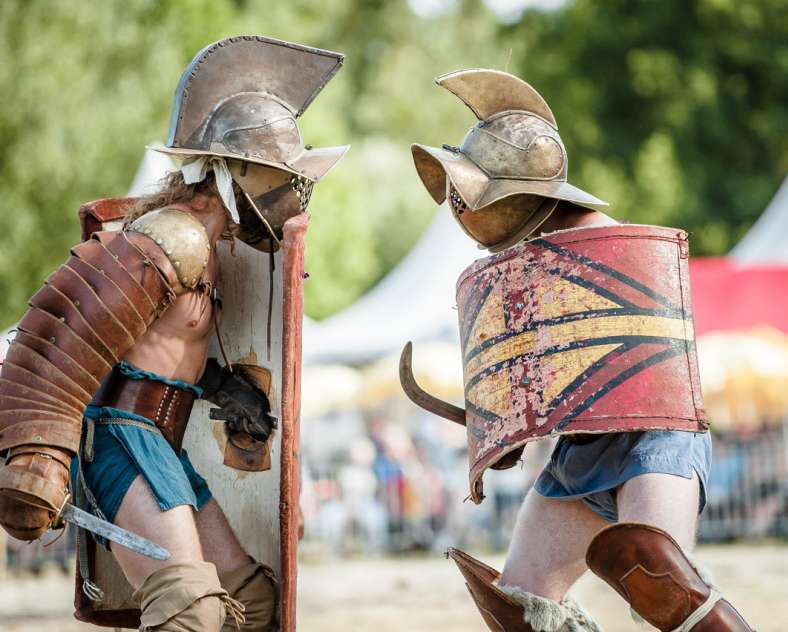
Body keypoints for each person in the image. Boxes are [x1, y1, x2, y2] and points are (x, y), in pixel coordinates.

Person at [0, 35, 347, 631]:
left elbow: (152, 351)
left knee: (252, 607)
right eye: (278, 176)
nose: (290, 193)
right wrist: (35, 456)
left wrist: (221, 386)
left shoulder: (204, 247)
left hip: (163, 445)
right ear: (235, 170)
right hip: (119, 443)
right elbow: (64, 333)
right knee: (189, 612)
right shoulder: (173, 236)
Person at [401, 69, 753, 631]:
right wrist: (503, 430)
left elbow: (652, 360)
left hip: (655, 434)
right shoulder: (525, 263)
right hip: (582, 451)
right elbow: (540, 382)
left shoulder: (610, 242)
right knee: (520, 605)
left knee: (663, 599)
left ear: (520, 189)